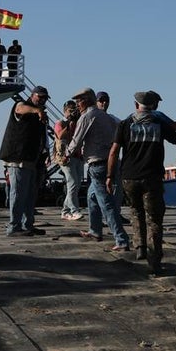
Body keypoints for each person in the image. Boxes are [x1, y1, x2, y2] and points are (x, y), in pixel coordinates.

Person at [108, 90, 176, 276]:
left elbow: (114, 152)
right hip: (151, 178)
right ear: (154, 106)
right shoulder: (159, 123)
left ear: (135, 105)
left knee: (136, 211)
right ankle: (154, 263)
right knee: (154, 219)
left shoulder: (124, 124)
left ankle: (140, 246)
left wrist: (109, 177)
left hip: (128, 177)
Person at [68, 88, 128, 251]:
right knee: (91, 197)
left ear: (86, 101)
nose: (77, 105)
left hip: (98, 165)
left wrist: (67, 154)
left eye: (79, 101)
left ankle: (121, 239)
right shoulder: (107, 117)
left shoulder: (87, 117)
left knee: (106, 203)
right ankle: (95, 230)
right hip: (111, 162)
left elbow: (77, 140)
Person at [0, 86, 50, 236]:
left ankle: (28, 225)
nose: (42, 100)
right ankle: (14, 227)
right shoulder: (22, 105)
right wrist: (37, 110)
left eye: (45, 98)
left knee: (30, 194)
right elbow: (19, 109)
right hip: (18, 158)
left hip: (32, 160)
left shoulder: (39, 116)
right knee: (18, 193)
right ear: (32, 96)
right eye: (39, 97)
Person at [53, 100, 84, 220]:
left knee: (77, 184)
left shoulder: (77, 123)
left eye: (74, 111)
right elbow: (60, 136)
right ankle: (74, 210)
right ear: (64, 111)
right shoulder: (60, 123)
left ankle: (65, 211)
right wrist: (69, 123)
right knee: (72, 183)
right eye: (70, 111)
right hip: (65, 157)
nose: (72, 113)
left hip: (77, 156)